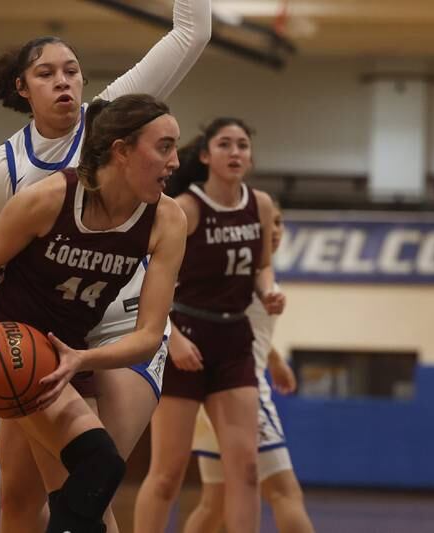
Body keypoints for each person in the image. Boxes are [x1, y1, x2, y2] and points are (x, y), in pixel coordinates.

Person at [0, 2, 210, 531]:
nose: (64, 83)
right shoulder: (7, 170)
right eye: (46, 73)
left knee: (84, 487)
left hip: (121, 330)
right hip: (47, 336)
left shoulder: (112, 121)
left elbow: (192, 33)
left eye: (72, 71)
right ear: (21, 88)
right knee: (17, 497)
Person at [134, 117, 278, 533]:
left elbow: (262, 265)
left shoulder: (261, 206)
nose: (235, 152)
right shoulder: (186, 208)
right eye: (225, 144)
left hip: (234, 340)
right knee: (167, 475)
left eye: (243, 145)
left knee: (247, 469)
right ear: (205, 155)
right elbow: (145, 276)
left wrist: (267, 291)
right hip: (186, 337)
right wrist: (171, 337)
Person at [184, 202, 315, 533]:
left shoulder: (246, 272)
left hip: (212, 394)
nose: (274, 230)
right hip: (241, 392)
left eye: (279, 223)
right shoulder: (238, 272)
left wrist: (275, 360)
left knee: (213, 504)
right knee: (286, 494)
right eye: (267, 223)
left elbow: (239, 325)